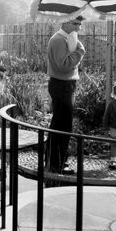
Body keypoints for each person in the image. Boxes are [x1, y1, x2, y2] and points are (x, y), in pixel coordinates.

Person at [45, 15, 86, 174]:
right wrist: (79, 52)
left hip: (66, 85)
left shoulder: (67, 38)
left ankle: (55, 161)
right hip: (61, 85)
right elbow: (63, 66)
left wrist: (76, 50)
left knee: (61, 124)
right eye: (76, 23)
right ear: (66, 22)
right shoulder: (58, 40)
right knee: (61, 125)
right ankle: (56, 165)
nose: (78, 27)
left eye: (80, 24)